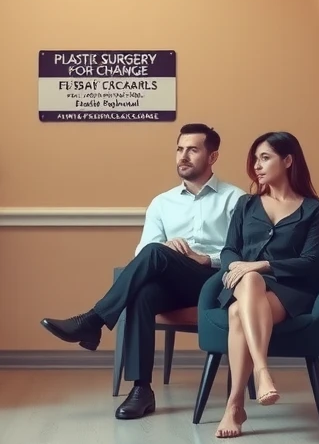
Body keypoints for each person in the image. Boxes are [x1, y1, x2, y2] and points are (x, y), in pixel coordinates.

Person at [39, 123, 244, 420]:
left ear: (212, 157)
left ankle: (94, 320)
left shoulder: (234, 199)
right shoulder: (162, 202)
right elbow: (144, 251)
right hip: (173, 279)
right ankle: (141, 390)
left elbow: (241, 254)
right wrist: (168, 252)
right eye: (179, 149)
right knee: (143, 293)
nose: (183, 156)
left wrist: (205, 258)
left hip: (214, 281)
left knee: (155, 254)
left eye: (193, 150)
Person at [212, 131, 319, 439]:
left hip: (287, 291)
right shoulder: (246, 204)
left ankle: (234, 405)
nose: (257, 166)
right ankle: (263, 372)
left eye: (265, 158)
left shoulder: (313, 209)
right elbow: (228, 249)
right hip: (240, 283)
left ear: (287, 160)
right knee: (249, 280)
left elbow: (311, 261)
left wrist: (263, 264)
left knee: (238, 314)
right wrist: (241, 269)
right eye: (255, 159)